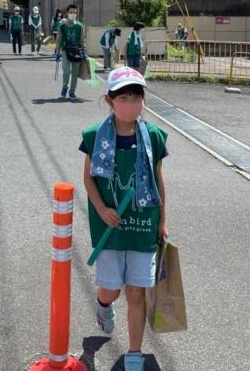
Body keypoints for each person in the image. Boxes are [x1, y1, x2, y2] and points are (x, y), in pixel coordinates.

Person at [81, 67, 168, 371]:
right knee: (112, 290)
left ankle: (134, 352)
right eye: (124, 98)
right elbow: (89, 179)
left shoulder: (153, 137)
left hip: (142, 225)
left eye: (137, 97)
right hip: (110, 227)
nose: (131, 104)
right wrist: (103, 209)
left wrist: (162, 221)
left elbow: (158, 179)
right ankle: (104, 305)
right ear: (110, 100)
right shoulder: (94, 136)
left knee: (136, 291)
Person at [54, 3, 86, 100]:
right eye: (71, 12)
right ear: (67, 13)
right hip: (65, 50)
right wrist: (57, 52)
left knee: (75, 73)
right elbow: (59, 39)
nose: (73, 14)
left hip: (77, 51)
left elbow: (82, 40)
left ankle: (72, 92)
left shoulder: (80, 26)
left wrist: (84, 52)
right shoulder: (62, 25)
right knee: (67, 71)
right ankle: (65, 86)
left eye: (75, 13)